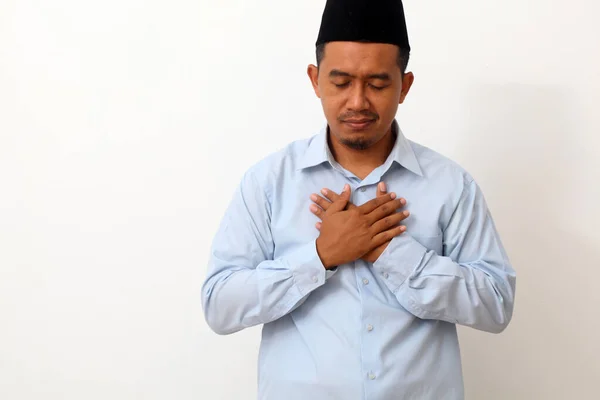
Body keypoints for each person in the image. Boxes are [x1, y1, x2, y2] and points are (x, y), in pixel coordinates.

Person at [201, 0, 516, 398]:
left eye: (378, 83)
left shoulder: (451, 185)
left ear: (405, 85)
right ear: (315, 80)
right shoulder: (268, 181)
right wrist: (320, 256)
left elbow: (495, 305)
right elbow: (220, 305)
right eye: (341, 81)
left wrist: (390, 250)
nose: (357, 102)